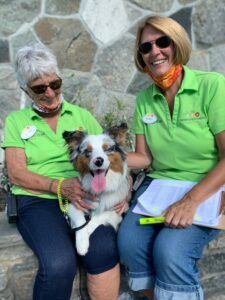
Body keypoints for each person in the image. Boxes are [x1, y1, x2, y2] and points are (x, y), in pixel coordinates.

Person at [1, 43, 128, 300]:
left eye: (55, 84)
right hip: (37, 199)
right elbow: (15, 173)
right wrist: (59, 186)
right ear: (26, 89)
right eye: (39, 88)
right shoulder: (17, 121)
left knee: (104, 248)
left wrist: (123, 193)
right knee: (59, 263)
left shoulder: (81, 115)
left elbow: (109, 156)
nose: (49, 92)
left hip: (86, 195)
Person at [118, 15, 225, 300]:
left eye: (162, 42)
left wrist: (190, 201)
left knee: (171, 251)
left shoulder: (212, 86)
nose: (155, 51)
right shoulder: (144, 99)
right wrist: (107, 160)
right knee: (129, 243)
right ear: (141, 57)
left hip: (207, 186)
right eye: (146, 48)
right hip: (161, 185)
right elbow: (144, 158)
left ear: (176, 43)